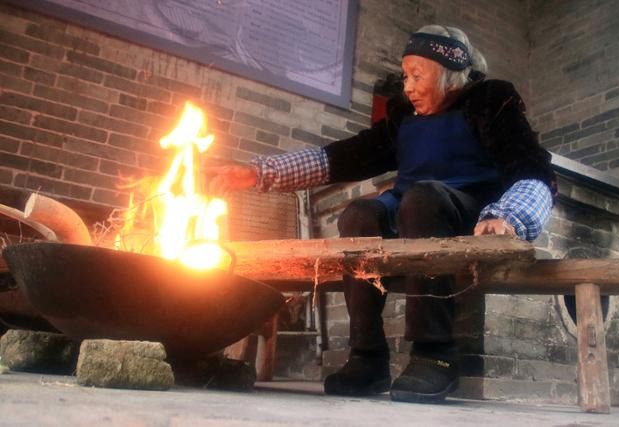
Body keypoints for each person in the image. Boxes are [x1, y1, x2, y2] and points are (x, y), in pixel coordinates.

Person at [207, 25, 556, 403]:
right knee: (358, 214)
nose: (407, 86)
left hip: (465, 210)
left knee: (424, 198)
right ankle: (368, 358)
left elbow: (534, 170)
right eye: (406, 75)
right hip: (412, 207)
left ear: (449, 75)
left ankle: (434, 354)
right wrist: (257, 173)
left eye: (417, 76)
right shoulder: (404, 116)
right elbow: (341, 157)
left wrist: (508, 217)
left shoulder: (490, 101)